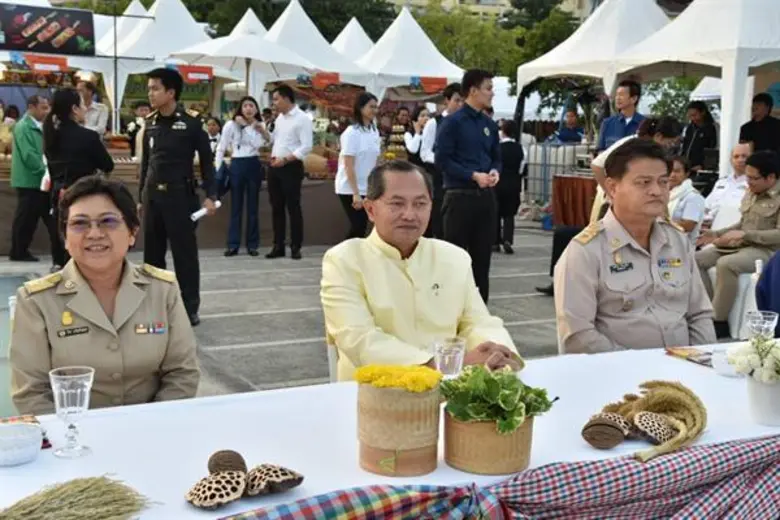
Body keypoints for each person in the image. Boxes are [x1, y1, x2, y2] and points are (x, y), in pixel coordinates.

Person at [10, 176, 199, 415]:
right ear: (65, 238)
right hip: (72, 441)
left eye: (108, 221)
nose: (94, 233)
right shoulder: (36, 300)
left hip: (152, 432)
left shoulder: (162, 289)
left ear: (132, 232)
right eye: (80, 224)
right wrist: (72, 436)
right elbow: (32, 392)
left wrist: (152, 425)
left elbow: (182, 373)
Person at [321, 160, 522, 381]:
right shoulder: (344, 260)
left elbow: (478, 322)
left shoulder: (454, 257)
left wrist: (498, 353)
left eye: (420, 204)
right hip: (373, 396)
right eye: (396, 204)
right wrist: (443, 366)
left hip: (453, 394)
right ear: (370, 209)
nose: (409, 215)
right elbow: (359, 339)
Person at [554, 139, 715, 353]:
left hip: (684, 370)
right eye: (643, 182)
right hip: (619, 374)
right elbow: (578, 336)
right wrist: (639, 367)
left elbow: (699, 314)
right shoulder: (586, 250)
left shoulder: (676, 240)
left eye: (663, 182)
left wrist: (702, 360)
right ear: (612, 188)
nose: (657, 191)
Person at [536, 116, 683, 297]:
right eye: (670, 142)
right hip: (617, 204)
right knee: (609, 248)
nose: (671, 147)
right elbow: (597, 164)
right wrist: (614, 193)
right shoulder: (631, 145)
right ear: (659, 136)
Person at [139, 68, 217, 327]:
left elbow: (207, 163)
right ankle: (154, 304)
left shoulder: (192, 123)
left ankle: (189, 307)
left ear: (171, 92)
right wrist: (141, 197)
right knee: (152, 257)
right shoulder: (149, 122)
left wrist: (211, 195)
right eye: (149, 88)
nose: (150, 93)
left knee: (185, 256)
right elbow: (146, 164)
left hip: (180, 197)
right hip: (153, 198)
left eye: (155, 88)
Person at [696, 150, 780, 339]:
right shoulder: (752, 192)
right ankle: (705, 310)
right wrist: (716, 234)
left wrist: (745, 234)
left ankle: (719, 321)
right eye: (747, 177)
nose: (748, 182)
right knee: (698, 259)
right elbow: (743, 223)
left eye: (753, 178)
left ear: (771, 177)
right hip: (743, 244)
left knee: (727, 264)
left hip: (768, 251)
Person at [436, 70, 500, 303]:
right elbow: (442, 160)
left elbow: (496, 156)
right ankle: (451, 310)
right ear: (473, 90)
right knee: (455, 260)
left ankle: (481, 314)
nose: (492, 93)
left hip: (485, 199)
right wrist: (472, 175)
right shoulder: (452, 123)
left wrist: (494, 171)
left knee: (482, 261)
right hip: (459, 198)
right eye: (488, 88)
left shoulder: (489, 125)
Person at [44, 88, 115, 271]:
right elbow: (108, 164)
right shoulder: (88, 137)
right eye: (83, 104)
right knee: (83, 242)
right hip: (83, 196)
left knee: (63, 239)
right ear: (75, 109)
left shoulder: (51, 135)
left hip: (58, 195)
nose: (85, 108)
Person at [217, 96, 270, 257]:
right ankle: (233, 244)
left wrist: (250, 127)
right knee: (236, 207)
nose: (248, 109)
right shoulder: (230, 125)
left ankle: (252, 244)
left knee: (253, 207)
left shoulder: (259, 125)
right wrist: (217, 168)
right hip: (237, 164)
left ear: (256, 109)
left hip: (253, 163)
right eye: (245, 105)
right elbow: (222, 146)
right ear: (240, 108)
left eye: (252, 106)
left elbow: (260, 144)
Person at [266, 84, 313, 260]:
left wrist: (285, 159)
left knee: (293, 207)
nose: (275, 103)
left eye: (276, 99)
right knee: (276, 207)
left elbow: (306, 146)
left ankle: (295, 246)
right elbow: (276, 141)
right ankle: (278, 245)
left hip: (291, 167)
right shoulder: (279, 118)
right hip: (274, 165)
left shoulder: (302, 118)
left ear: (286, 98)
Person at [10, 95, 54, 263]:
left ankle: (22, 250)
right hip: (29, 180)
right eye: (43, 107)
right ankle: (18, 251)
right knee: (25, 218)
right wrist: (45, 171)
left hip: (41, 179)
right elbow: (29, 155)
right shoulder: (23, 127)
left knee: (39, 217)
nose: (46, 111)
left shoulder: (42, 126)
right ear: (31, 107)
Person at [334, 92, 380, 240]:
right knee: (358, 225)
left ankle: (353, 258)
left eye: (376, 107)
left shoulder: (374, 131)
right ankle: (343, 256)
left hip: (367, 186)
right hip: (350, 187)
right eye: (371, 107)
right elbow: (348, 165)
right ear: (360, 108)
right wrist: (355, 193)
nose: (374, 110)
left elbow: (374, 160)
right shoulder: (351, 133)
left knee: (362, 227)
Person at [420, 83, 462, 238]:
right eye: (456, 100)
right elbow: (425, 152)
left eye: (463, 101)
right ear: (447, 101)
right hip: (441, 177)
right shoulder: (434, 123)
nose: (460, 105)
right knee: (441, 216)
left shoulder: (466, 123)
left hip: (463, 178)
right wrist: (444, 160)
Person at [703, 142, 750, 226]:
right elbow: (706, 206)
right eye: (736, 156)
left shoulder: (754, 184)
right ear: (731, 160)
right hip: (711, 227)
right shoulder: (722, 182)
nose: (740, 160)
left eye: (744, 156)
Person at [495, 119, 524, 254]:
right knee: (509, 214)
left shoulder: (497, 148)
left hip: (498, 182)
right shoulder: (520, 148)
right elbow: (522, 167)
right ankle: (507, 239)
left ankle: (494, 242)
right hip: (513, 183)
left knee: (495, 212)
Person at [597, 80, 645, 152]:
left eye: (621, 95)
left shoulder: (644, 124)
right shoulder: (607, 123)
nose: (617, 98)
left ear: (634, 99)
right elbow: (600, 151)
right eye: (617, 95)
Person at [668, 156, 706, 244]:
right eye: (669, 170)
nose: (672, 174)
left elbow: (688, 226)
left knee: (662, 259)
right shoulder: (662, 193)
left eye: (677, 171)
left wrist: (658, 223)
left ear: (687, 173)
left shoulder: (693, 197)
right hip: (661, 244)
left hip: (681, 251)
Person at [681, 101, 717, 171]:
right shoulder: (690, 128)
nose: (692, 118)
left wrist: (703, 166)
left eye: (694, 115)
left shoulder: (712, 128)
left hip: (701, 169)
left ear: (703, 112)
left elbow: (713, 149)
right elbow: (685, 146)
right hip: (687, 167)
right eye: (690, 116)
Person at [403, 106, 429, 170]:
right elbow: (413, 150)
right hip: (415, 170)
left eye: (428, 116)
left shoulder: (431, 133)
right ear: (415, 120)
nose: (426, 118)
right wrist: (417, 133)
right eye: (422, 116)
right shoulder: (408, 134)